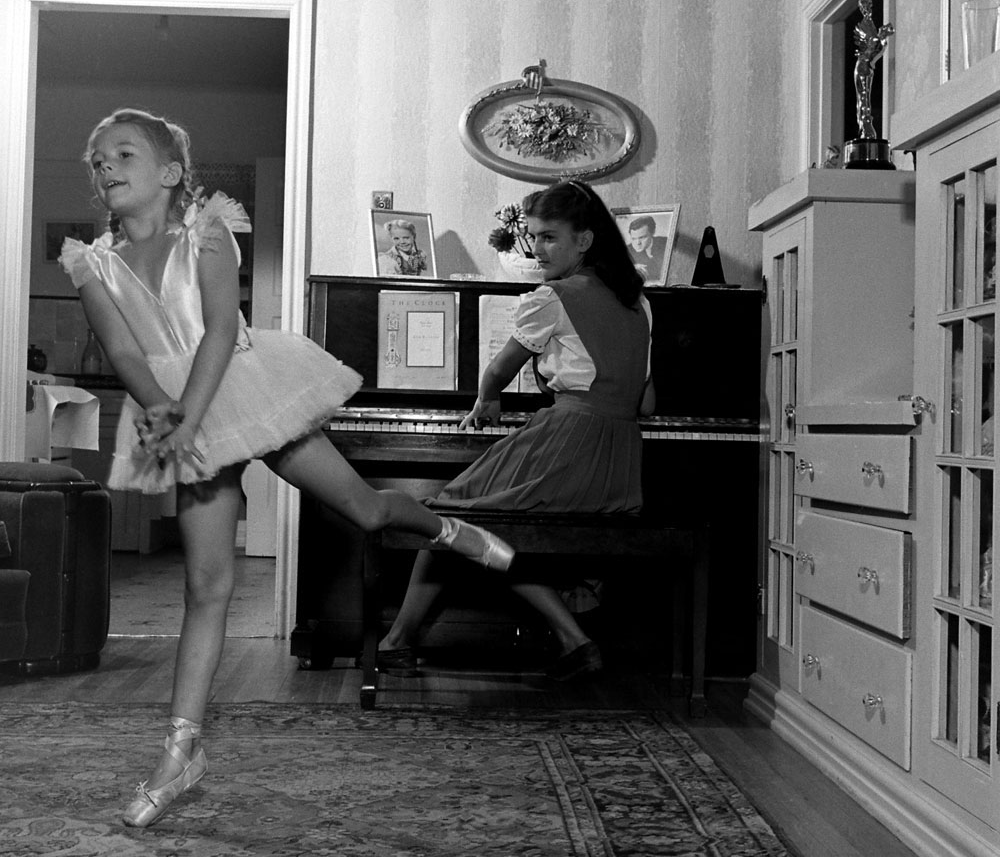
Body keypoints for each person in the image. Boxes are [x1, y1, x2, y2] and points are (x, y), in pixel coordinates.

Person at [59, 108, 514, 828]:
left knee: (363, 509)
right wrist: (157, 410)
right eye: (97, 160)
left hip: (239, 383)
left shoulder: (207, 231)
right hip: (177, 412)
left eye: (122, 153)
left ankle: (442, 527)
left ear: (171, 173)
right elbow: (122, 352)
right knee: (205, 587)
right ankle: (181, 754)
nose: (105, 166)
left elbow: (216, 331)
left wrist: (188, 414)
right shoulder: (92, 264)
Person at [377, 179, 656, 682]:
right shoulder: (639, 302)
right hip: (619, 459)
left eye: (549, 237)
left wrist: (487, 399)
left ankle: (399, 641)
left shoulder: (553, 296)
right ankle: (572, 641)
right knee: (493, 521)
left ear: (584, 241)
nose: (536, 248)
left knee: (451, 513)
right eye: (532, 236)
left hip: (572, 439)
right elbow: (649, 401)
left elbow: (498, 370)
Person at [626, 215, 667, 283]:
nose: (637, 243)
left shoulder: (666, 242)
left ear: (653, 232)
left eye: (642, 237)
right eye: (633, 238)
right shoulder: (625, 251)